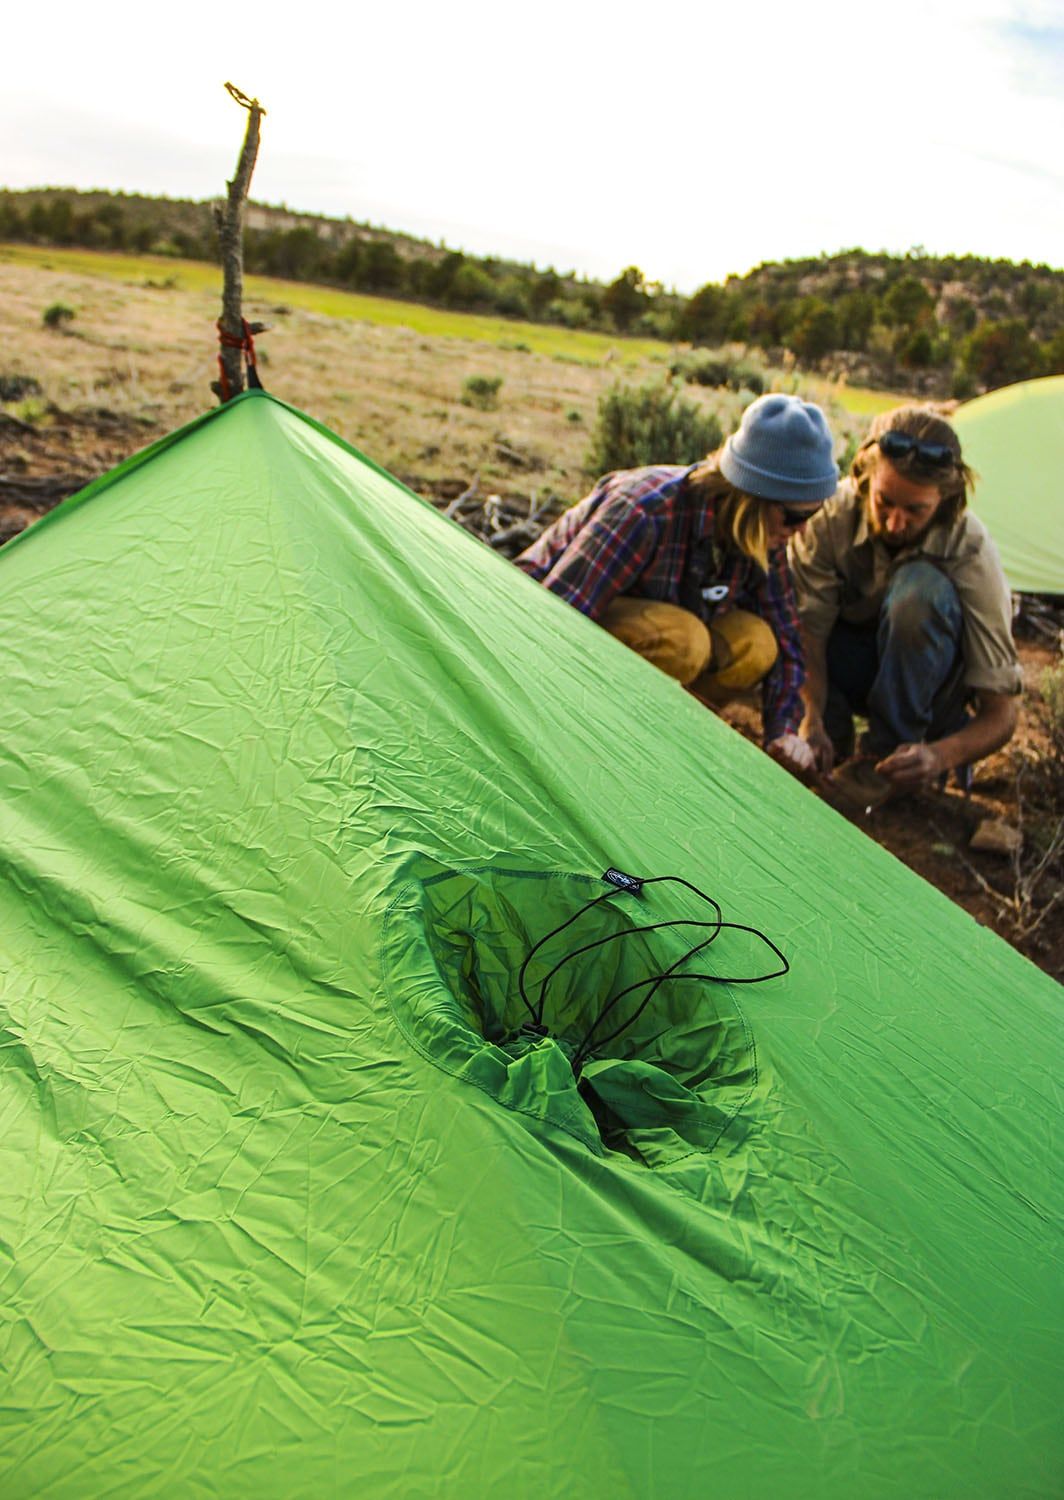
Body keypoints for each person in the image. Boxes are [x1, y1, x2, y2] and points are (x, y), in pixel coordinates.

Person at [515, 393, 839, 775]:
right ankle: (598, 731)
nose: (802, 531)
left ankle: (664, 735)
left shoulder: (764, 535)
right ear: (752, 497)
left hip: (632, 652)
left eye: (814, 515)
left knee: (756, 641)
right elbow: (553, 616)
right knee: (685, 641)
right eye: (795, 517)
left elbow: (787, 642)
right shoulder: (645, 510)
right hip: (542, 622)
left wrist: (782, 732)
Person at [789, 405, 1021, 797]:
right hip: (850, 667)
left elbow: (1002, 712)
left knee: (920, 591)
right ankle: (831, 743)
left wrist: (940, 756)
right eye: (884, 502)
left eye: (915, 510)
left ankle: (887, 761)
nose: (895, 523)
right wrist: (810, 717)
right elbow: (807, 635)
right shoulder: (830, 517)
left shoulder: (971, 550)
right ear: (865, 477)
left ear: (945, 500)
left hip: (930, 689)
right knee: (792, 627)